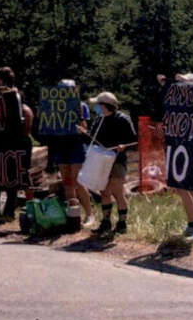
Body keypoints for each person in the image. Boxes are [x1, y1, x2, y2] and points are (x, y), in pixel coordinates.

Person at [160, 73, 193, 243]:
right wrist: (165, 84)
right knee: (182, 189)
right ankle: (191, 225)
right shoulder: (180, 104)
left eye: (185, 85)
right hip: (179, 149)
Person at [0, 67, 33, 225]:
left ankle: (5, 211)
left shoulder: (12, 96)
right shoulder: (2, 96)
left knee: (7, 178)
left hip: (7, 143)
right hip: (1, 142)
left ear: (1, 80)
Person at [84, 91, 135, 237]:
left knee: (117, 191)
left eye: (98, 105)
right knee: (104, 191)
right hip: (100, 161)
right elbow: (92, 139)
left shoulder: (123, 119)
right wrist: (84, 133)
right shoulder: (99, 120)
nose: (96, 108)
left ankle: (122, 223)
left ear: (105, 105)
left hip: (117, 160)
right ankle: (105, 222)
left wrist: (123, 146)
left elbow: (132, 139)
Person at [49, 80, 94, 226]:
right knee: (67, 181)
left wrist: (79, 119)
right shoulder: (55, 106)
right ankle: (73, 215)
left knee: (78, 181)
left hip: (76, 145)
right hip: (61, 145)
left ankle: (89, 214)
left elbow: (85, 128)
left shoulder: (81, 106)